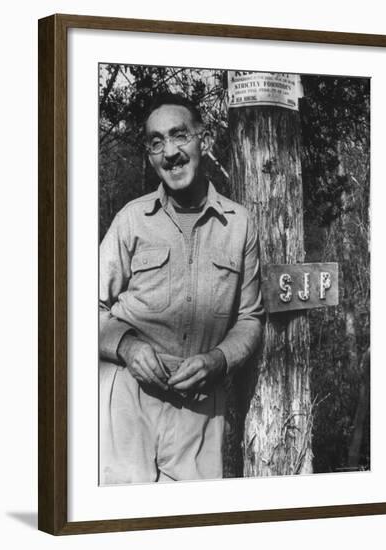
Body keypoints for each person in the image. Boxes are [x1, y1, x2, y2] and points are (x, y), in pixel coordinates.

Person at [99, 93, 264, 484]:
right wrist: (127, 346)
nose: (170, 152)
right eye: (156, 142)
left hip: (200, 408)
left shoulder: (239, 225)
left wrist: (218, 361)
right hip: (128, 399)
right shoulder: (131, 220)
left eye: (179, 135)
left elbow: (250, 318)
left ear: (202, 140)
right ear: (149, 154)